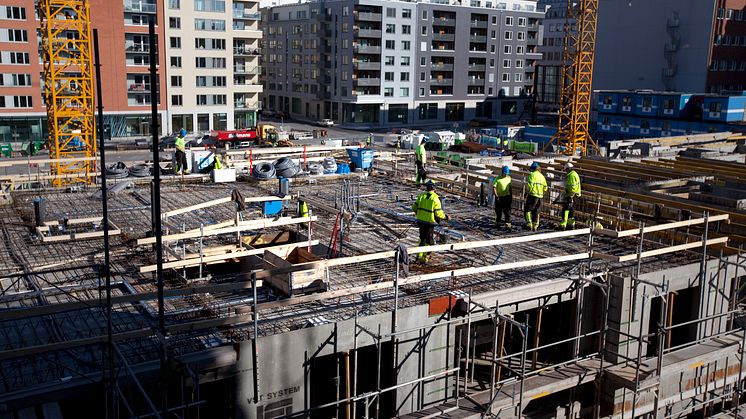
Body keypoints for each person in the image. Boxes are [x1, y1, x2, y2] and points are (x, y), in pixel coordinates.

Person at [412, 180, 448, 263]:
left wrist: (419, 213)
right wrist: (446, 217)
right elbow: (438, 213)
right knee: (429, 241)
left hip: (421, 221)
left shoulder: (421, 196)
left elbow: (414, 207)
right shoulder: (435, 198)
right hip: (429, 223)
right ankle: (425, 258)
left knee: (422, 238)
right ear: (434, 188)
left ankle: (419, 256)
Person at [524, 162, 547, 232]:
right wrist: (542, 193)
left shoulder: (532, 175)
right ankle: (535, 225)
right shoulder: (542, 176)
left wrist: (526, 193)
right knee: (536, 211)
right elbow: (545, 188)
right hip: (540, 196)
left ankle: (529, 224)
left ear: (533, 169)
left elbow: (530, 186)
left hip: (532, 195)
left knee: (527, 210)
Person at [560, 162, 581, 230]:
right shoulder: (575, 174)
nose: (565, 171)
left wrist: (568, 194)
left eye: (566, 170)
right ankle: (571, 224)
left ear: (568, 169)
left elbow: (572, 188)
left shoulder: (571, 176)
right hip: (575, 195)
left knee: (565, 208)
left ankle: (563, 224)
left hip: (571, 195)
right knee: (571, 210)